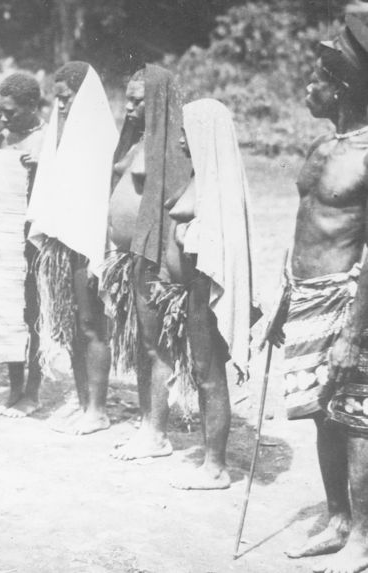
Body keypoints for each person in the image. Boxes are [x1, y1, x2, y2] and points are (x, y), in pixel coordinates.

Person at [263, 12, 368, 571]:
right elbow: (304, 224)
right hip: (306, 294)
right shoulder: (326, 145)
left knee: (355, 415)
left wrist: (354, 330)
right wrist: (285, 298)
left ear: (343, 85)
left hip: (351, 300)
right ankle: (337, 520)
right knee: (321, 413)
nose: (307, 85)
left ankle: (363, 540)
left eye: (317, 77)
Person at [166, 98, 257, 489]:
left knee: (208, 373)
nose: (180, 140)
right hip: (195, 286)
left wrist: (186, 235)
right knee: (205, 372)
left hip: (206, 286)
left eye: (187, 132)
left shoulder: (217, 187)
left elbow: (218, 249)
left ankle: (215, 466)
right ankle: (211, 459)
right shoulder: (202, 176)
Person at [26, 61, 119, 434]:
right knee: (70, 324)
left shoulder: (100, 136)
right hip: (62, 245)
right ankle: (83, 403)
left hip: (88, 244)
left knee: (91, 322)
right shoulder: (58, 134)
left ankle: (97, 408)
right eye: (57, 98)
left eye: (66, 98)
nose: (60, 105)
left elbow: (97, 202)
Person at [106, 65, 193, 460]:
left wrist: (163, 266)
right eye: (127, 98)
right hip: (132, 258)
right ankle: (147, 424)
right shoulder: (139, 139)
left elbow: (176, 204)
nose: (129, 107)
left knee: (156, 346)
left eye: (139, 100)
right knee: (145, 345)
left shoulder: (174, 144)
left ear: (158, 101)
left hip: (154, 257)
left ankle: (156, 432)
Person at [0, 71, 46, 417]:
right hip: (3, 235)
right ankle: (14, 387)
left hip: (31, 240)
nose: (3, 117)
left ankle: (32, 393)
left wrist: (43, 167)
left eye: (11, 111)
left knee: (31, 316)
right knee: (7, 315)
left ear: (33, 106)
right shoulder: (4, 135)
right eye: (0, 110)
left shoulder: (46, 139)